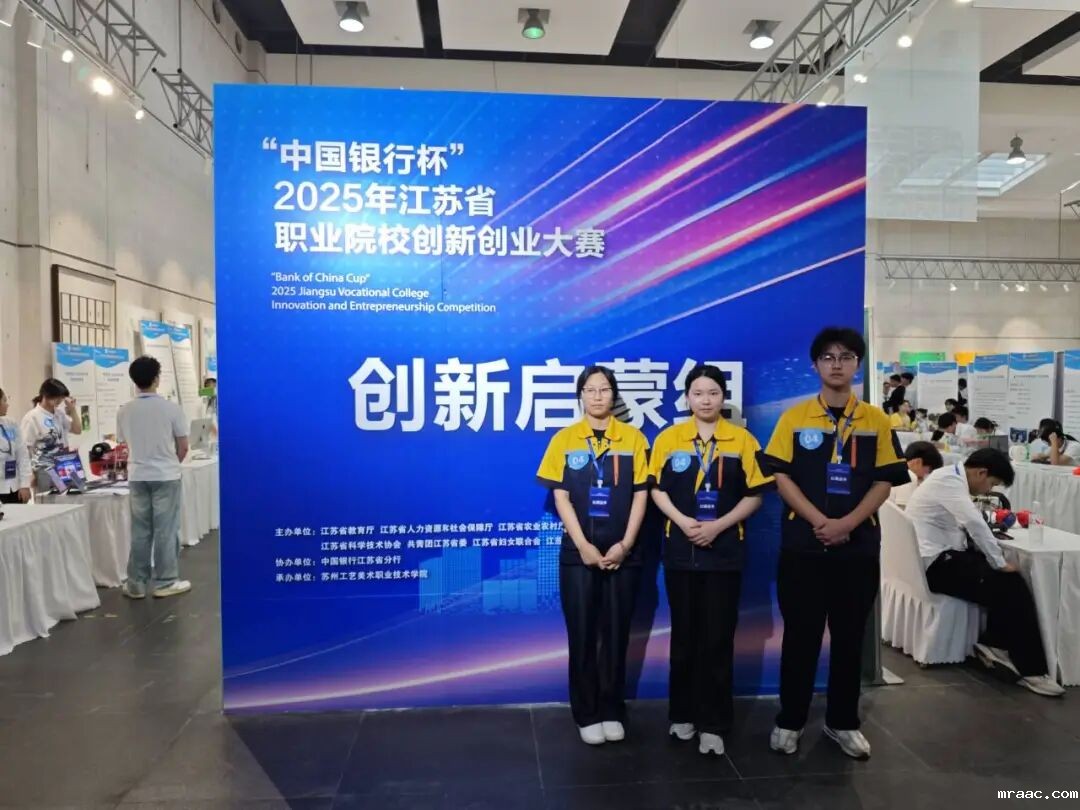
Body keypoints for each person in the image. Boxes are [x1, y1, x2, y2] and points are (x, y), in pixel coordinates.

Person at [760, 327, 909, 761]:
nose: (837, 364)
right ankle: (790, 720)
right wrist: (820, 521)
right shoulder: (795, 417)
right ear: (815, 365)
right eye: (828, 357)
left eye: (845, 356)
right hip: (803, 547)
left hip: (857, 548)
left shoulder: (876, 420)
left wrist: (847, 523)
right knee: (800, 638)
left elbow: (885, 481)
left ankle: (843, 722)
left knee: (849, 638)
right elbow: (781, 476)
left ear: (857, 364)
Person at [648, 365, 773, 757]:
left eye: (713, 393)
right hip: (681, 551)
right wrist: (684, 521)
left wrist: (718, 525)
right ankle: (682, 714)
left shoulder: (742, 440)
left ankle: (714, 723)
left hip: (724, 553)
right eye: (698, 393)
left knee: (718, 639)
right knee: (684, 638)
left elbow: (756, 494)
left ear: (723, 397)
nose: (705, 400)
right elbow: (655, 488)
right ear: (687, 398)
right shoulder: (668, 439)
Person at [536, 365, 649, 746]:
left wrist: (625, 544)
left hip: (623, 553)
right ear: (581, 395)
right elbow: (561, 497)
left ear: (614, 395)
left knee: (616, 634)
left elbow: (641, 494)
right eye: (590, 389)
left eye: (604, 389)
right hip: (577, 554)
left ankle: (612, 709)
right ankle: (586, 713)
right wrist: (583, 544)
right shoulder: (564, 439)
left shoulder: (633, 438)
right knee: (582, 634)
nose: (598, 396)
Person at [905, 450, 1064, 697]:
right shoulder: (949, 482)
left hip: (932, 557)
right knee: (1012, 585)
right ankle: (1031, 669)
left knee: (1005, 584)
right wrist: (998, 561)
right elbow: (974, 523)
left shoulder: (947, 476)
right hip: (936, 564)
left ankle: (995, 644)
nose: (989, 490)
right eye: (992, 484)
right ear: (981, 473)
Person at [117, 356, 191, 600]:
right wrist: (170, 464)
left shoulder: (124, 410)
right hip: (166, 475)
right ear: (157, 379)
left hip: (137, 475)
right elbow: (183, 447)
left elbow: (123, 443)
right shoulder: (171, 409)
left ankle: (136, 584)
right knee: (165, 530)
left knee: (140, 530)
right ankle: (166, 581)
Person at [20, 378, 82, 485]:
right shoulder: (32, 417)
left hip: (65, 465)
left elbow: (77, 430)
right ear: (46, 395)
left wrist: (72, 410)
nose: (59, 400)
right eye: (57, 396)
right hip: (46, 469)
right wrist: (30, 474)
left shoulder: (59, 414)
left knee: (73, 493)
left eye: (61, 397)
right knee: (51, 495)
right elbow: (24, 449)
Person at [0, 387, 32, 505]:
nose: (7, 405)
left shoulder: (10, 424)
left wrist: (25, 485)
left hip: (14, 488)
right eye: (4, 400)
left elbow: (22, 455)